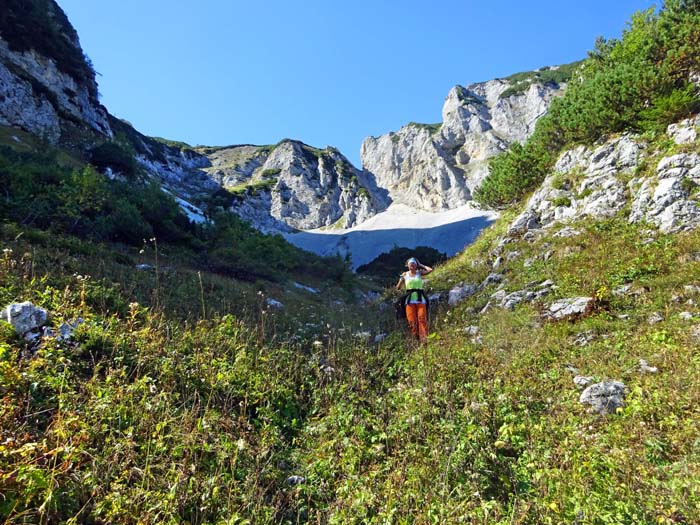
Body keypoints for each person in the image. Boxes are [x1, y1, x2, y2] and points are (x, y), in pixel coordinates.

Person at [396, 257, 433, 343]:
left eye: (413, 264)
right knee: (412, 321)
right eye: (410, 265)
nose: (411, 266)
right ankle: (416, 338)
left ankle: (424, 339)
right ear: (408, 266)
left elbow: (430, 270)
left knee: (422, 319)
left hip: (420, 299)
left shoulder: (419, 273)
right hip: (409, 300)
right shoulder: (405, 274)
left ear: (416, 266)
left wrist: (421, 265)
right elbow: (398, 287)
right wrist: (401, 280)